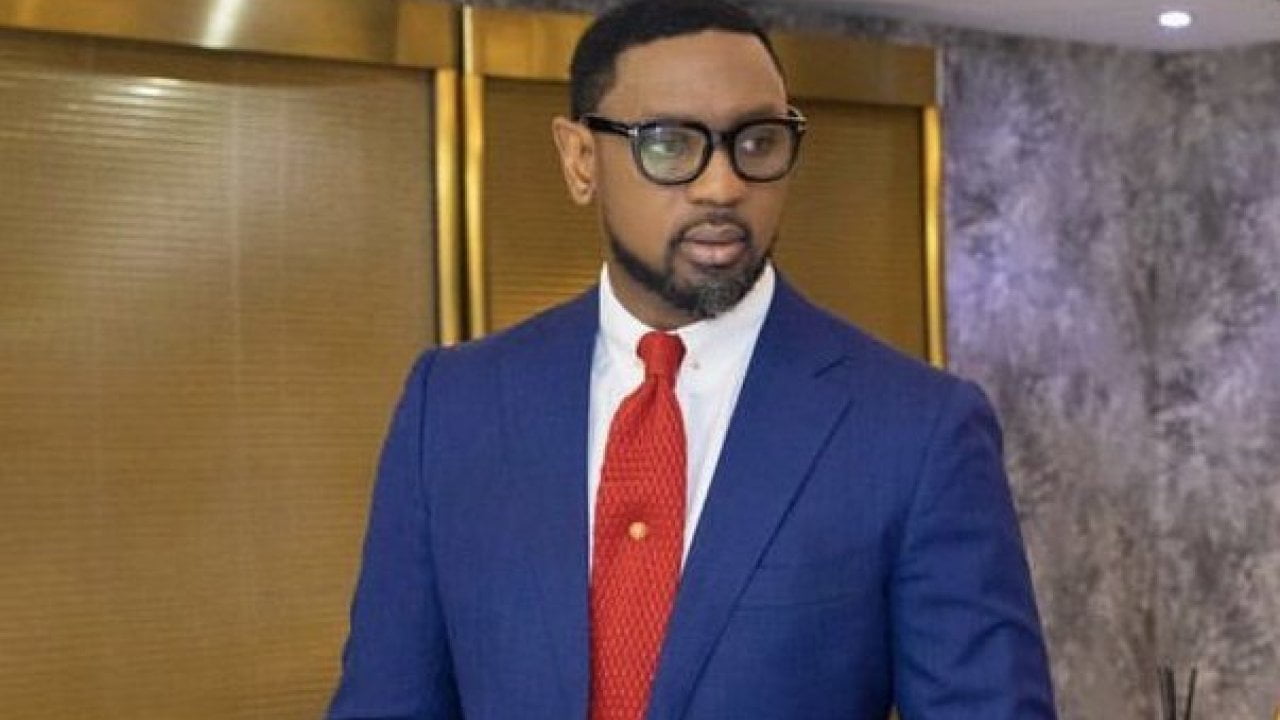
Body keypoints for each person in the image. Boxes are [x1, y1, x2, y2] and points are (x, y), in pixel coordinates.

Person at [327, 0, 1057, 718]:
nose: (723, 186)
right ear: (581, 160)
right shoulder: (453, 408)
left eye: (758, 142)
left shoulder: (917, 430)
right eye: (671, 144)